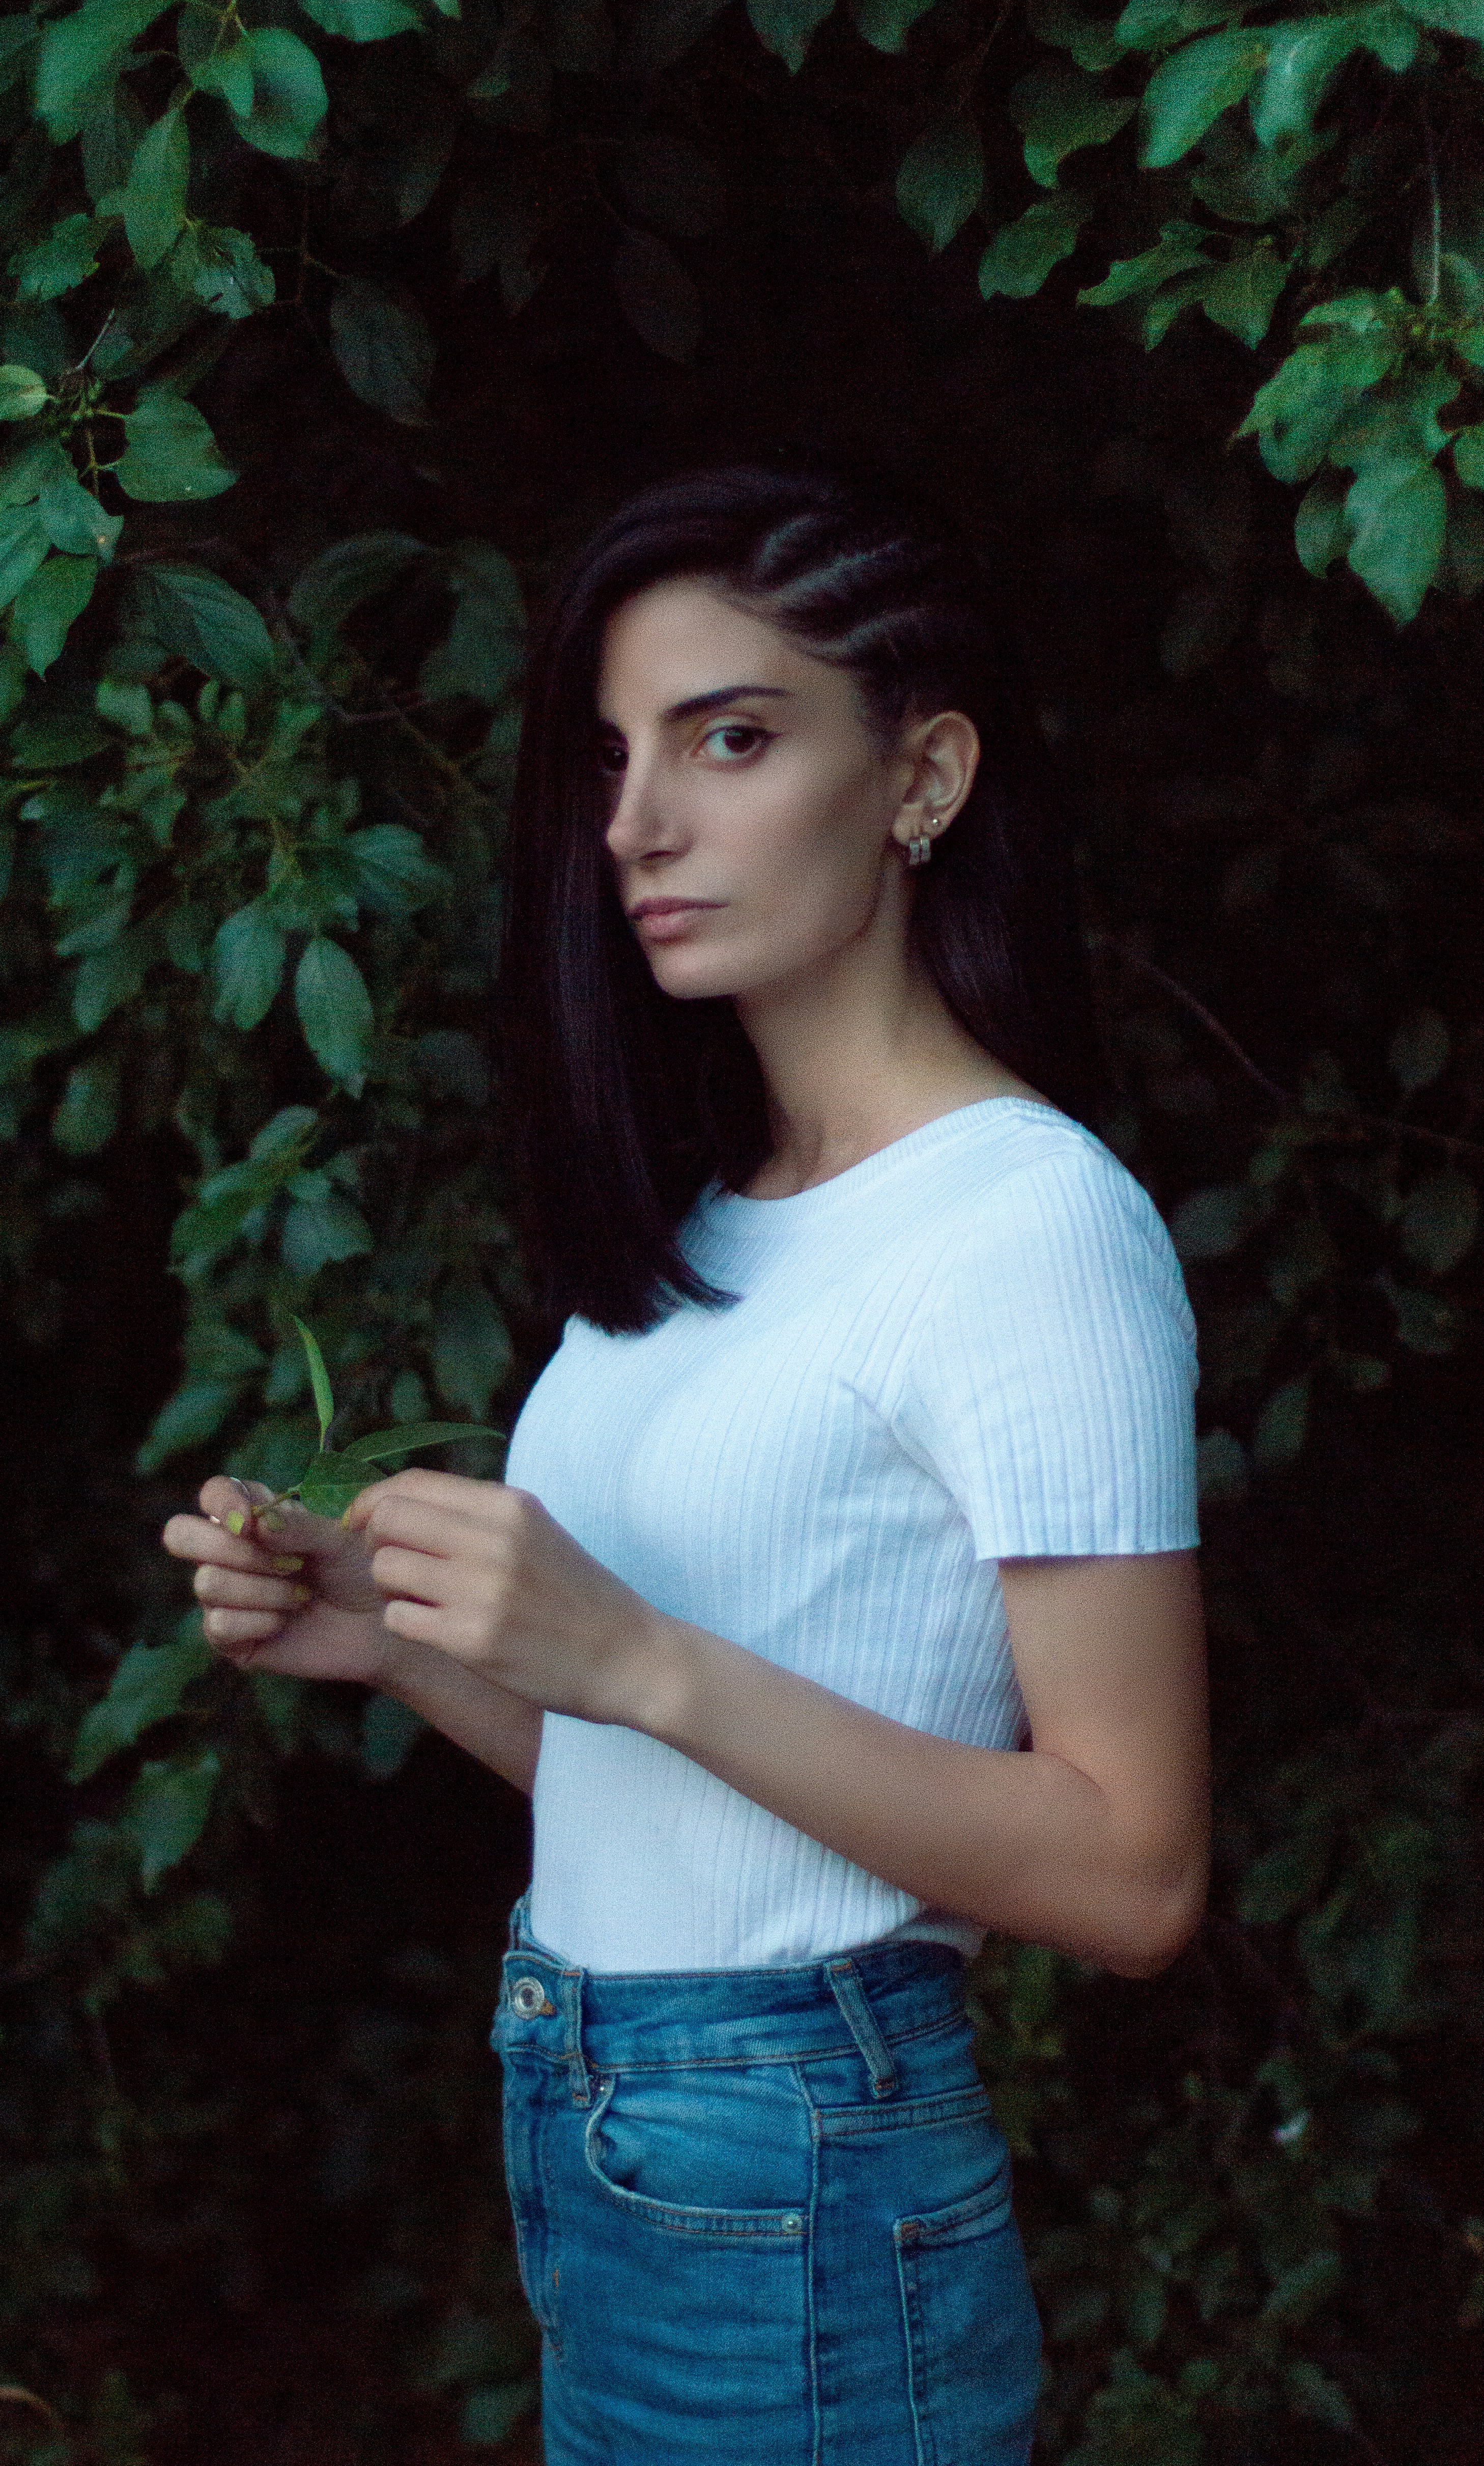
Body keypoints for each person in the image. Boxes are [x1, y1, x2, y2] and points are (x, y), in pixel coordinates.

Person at [164, 463, 1209, 2465]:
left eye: (732, 737)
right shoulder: (715, 1228)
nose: (640, 821)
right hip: (611, 2121)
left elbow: (1133, 1868)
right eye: (615, 754)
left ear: (925, 776)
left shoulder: (1028, 1231)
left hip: (797, 2159)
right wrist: (403, 1646)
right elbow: (713, 1825)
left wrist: (637, 1653)